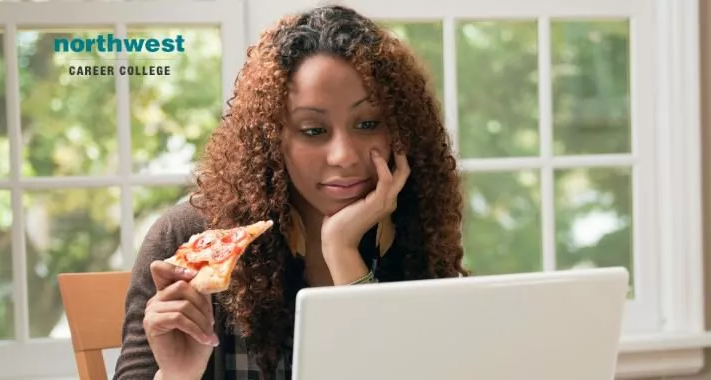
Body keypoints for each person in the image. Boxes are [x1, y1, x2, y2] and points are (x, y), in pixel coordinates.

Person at [113, 5, 467, 380]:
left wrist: (343, 252)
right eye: (313, 130)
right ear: (271, 138)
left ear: (400, 130)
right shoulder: (192, 242)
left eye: (367, 123)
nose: (344, 156)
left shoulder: (415, 234)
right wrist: (179, 374)